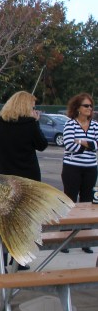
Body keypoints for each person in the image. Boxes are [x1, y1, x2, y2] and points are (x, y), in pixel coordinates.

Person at [0, 91, 48, 271]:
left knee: (5, 221)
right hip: (30, 180)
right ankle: (19, 259)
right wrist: (36, 123)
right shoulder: (30, 125)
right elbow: (42, 145)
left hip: (6, 179)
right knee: (25, 222)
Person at [60, 92, 98, 254]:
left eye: (91, 106)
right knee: (69, 201)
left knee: (87, 202)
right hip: (72, 168)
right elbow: (69, 146)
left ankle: (85, 240)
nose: (90, 109)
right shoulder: (70, 125)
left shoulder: (95, 125)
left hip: (90, 168)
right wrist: (89, 145)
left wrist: (81, 142)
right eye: (86, 106)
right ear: (77, 108)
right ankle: (65, 239)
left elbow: (97, 145)